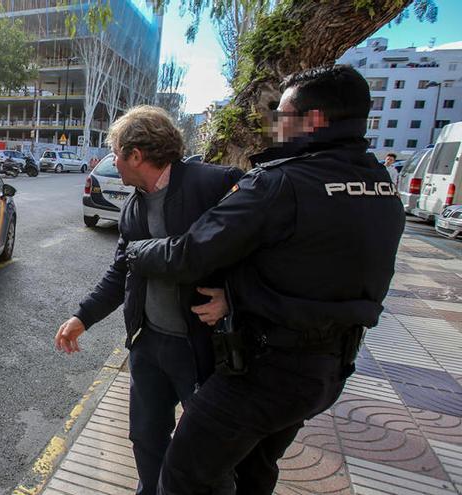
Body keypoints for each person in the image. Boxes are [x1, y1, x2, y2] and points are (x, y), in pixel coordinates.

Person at [120, 65, 406, 494]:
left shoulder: (282, 184)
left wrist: (136, 251)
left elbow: (190, 254)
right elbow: (314, 268)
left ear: (313, 120)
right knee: (253, 469)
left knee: (184, 473)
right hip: (329, 368)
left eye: (283, 114)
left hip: (265, 370)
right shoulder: (380, 185)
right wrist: (236, 296)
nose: (274, 125)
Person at [54, 105, 243, 495]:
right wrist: (83, 318)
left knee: (208, 455)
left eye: (116, 154)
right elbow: (122, 271)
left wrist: (233, 298)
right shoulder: (134, 206)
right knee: (145, 439)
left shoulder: (214, 185)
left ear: (135, 155)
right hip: (149, 344)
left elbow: (264, 253)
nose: (113, 163)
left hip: (202, 349)